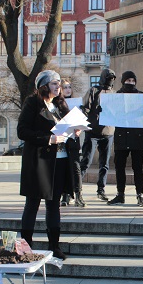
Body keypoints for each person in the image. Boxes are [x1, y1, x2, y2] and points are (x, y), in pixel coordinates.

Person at [18, 70, 80, 260]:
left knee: (54, 205)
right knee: (33, 204)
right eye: (54, 83)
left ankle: (55, 246)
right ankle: (25, 248)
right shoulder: (33, 103)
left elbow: (68, 126)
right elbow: (22, 131)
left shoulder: (60, 105)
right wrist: (48, 139)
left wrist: (75, 131)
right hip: (39, 161)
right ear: (43, 86)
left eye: (59, 83)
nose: (58, 87)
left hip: (60, 161)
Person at [107, 71, 143, 207]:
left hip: (137, 136)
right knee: (119, 167)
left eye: (132, 80)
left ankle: (140, 195)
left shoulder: (141, 96)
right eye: (127, 80)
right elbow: (110, 111)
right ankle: (120, 194)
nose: (130, 83)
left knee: (138, 168)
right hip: (121, 136)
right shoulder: (116, 96)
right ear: (123, 81)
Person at [80, 68, 116, 201]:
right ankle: (75, 188)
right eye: (108, 78)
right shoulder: (94, 90)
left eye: (112, 79)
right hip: (93, 131)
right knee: (86, 161)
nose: (110, 81)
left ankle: (101, 189)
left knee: (104, 164)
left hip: (108, 132)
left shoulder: (113, 93)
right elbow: (85, 108)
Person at [60, 78, 86, 208]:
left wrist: (79, 129)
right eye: (65, 87)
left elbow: (81, 121)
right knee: (64, 167)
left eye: (69, 87)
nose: (68, 89)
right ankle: (65, 194)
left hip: (73, 140)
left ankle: (78, 194)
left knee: (76, 167)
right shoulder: (57, 104)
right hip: (61, 139)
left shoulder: (77, 103)